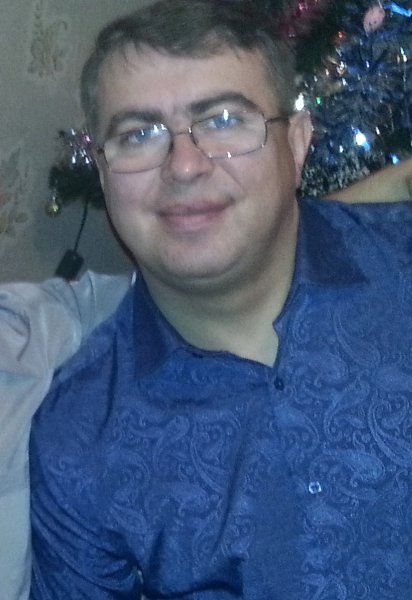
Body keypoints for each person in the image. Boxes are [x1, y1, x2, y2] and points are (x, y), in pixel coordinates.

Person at [16, 0, 412, 597]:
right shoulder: (79, 441)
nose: (184, 166)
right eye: (138, 134)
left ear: (297, 143)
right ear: (101, 172)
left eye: (224, 120)